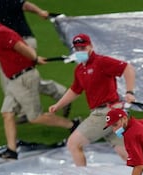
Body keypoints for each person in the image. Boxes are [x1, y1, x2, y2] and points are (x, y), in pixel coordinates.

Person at [0, 13, 78, 160]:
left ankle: (73, 124)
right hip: (14, 81)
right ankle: (12, 150)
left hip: (23, 79)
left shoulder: (2, 33)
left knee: (35, 117)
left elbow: (20, 46)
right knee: (7, 113)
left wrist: (34, 58)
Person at [48, 33, 136, 167]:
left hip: (105, 113)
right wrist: (58, 105)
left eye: (83, 48)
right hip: (111, 114)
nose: (80, 52)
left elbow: (127, 68)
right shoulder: (79, 69)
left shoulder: (101, 62)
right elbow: (75, 90)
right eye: (77, 49)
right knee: (125, 153)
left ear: (90, 47)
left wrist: (129, 92)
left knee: (73, 143)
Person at [0, 0, 69, 114]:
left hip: (22, 43)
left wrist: (39, 11)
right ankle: (60, 95)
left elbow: (24, 5)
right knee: (24, 79)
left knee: (18, 79)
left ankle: (24, 111)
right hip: (11, 47)